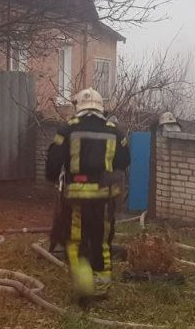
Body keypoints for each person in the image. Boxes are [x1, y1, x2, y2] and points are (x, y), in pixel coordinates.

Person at [45, 88, 131, 302]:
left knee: (75, 239)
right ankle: (101, 287)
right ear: (101, 107)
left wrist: (52, 177)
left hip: (76, 199)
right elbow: (124, 161)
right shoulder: (115, 131)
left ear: (78, 107)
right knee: (102, 240)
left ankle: (84, 283)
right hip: (104, 198)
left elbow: (54, 162)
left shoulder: (67, 129)